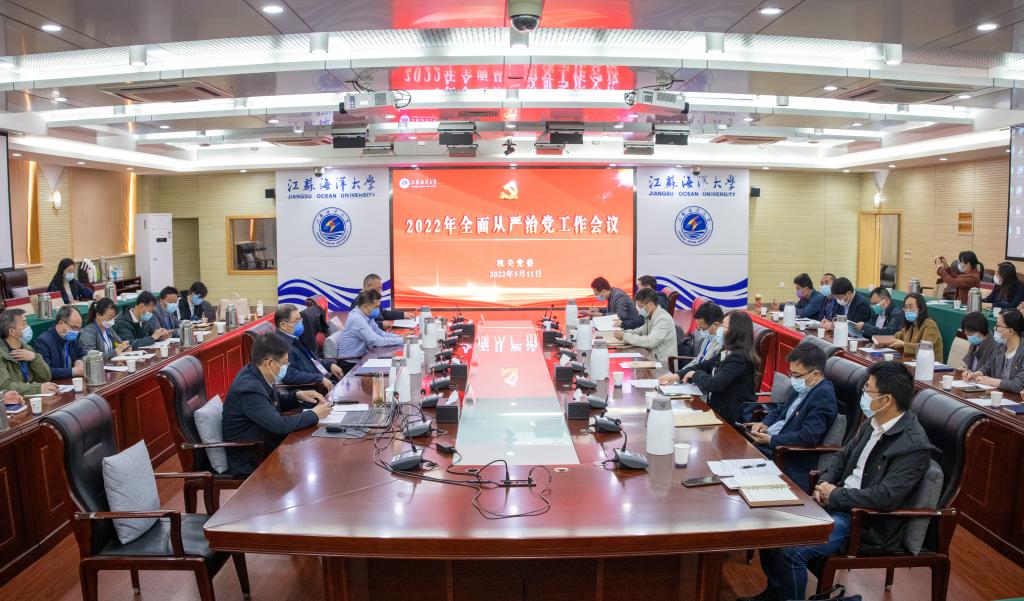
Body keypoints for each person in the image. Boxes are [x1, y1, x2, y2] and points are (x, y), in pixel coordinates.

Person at [741, 361, 931, 601]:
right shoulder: (874, 422)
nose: (863, 394)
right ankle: (774, 595)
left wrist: (834, 495)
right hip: (838, 501)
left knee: (791, 552)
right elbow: (842, 456)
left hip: (863, 521)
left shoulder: (913, 446)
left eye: (868, 389)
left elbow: (885, 497)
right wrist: (824, 484)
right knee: (770, 527)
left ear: (886, 400)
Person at [221, 333, 332, 476]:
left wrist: (297, 396)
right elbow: (279, 425)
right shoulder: (248, 388)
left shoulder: (257, 373)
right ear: (270, 363)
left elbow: (272, 403)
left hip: (267, 444)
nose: (286, 367)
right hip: (252, 457)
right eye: (285, 363)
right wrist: (315, 414)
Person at [744, 344, 837, 492]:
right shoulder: (805, 386)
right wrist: (765, 424)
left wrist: (771, 440)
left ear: (815, 374)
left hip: (786, 456)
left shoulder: (823, 396)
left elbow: (808, 437)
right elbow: (780, 410)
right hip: (770, 445)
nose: (793, 379)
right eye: (791, 374)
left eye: (796, 375)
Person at [674, 311, 758, 425]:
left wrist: (694, 374)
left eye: (724, 326)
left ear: (735, 332)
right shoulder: (727, 351)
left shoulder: (739, 357)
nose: (720, 330)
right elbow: (704, 366)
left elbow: (715, 384)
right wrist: (678, 375)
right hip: (718, 410)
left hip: (731, 418)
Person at [275, 304, 343, 390]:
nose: (300, 323)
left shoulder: (295, 337)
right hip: (312, 390)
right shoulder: (279, 345)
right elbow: (289, 375)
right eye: (297, 320)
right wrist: (319, 378)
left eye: (300, 319)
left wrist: (329, 365)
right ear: (283, 325)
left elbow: (313, 359)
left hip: (324, 380)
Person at [331, 289, 404, 362]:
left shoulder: (367, 315)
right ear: (365, 307)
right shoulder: (357, 319)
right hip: (350, 363)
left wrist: (400, 337)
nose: (378, 310)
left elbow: (380, 333)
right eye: (376, 307)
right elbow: (376, 341)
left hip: (362, 357)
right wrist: (401, 340)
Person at [964, 309, 1024, 394]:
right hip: (997, 395)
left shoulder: (1022, 351)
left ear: (1010, 331)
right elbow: (988, 367)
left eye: (998, 326)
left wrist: (991, 381)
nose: (995, 328)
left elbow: (1017, 386)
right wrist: (976, 374)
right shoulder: (1000, 347)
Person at [659, 301, 725, 378]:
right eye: (699, 328)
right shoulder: (707, 339)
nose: (701, 331)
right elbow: (697, 360)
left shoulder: (722, 344)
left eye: (703, 328)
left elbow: (708, 369)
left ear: (716, 324)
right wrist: (679, 374)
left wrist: (685, 375)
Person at [0, 309, 58, 395]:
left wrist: (35, 358)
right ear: (12, 332)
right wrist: (38, 388)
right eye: (24, 324)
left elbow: (46, 378)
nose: (28, 327)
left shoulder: (27, 348)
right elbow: (5, 387)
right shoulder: (1, 354)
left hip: (32, 397)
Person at [614, 288, 677, 365]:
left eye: (640, 306)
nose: (639, 310)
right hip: (652, 359)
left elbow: (650, 342)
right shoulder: (650, 316)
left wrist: (625, 336)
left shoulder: (663, 319)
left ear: (650, 304)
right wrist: (623, 333)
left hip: (663, 365)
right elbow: (639, 331)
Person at [34, 305, 85, 380]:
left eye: (79, 329)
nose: (76, 332)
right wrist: (74, 371)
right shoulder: (43, 342)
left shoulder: (71, 338)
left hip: (72, 381)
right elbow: (47, 371)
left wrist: (79, 361)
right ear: (61, 323)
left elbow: (83, 354)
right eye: (74, 327)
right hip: (55, 383)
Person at [891, 292, 943, 359]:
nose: (908, 310)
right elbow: (895, 338)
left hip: (928, 363)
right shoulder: (910, 325)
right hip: (910, 361)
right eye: (905, 307)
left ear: (920, 308)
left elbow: (925, 348)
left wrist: (903, 344)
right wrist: (880, 341)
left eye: (911, 307)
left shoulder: (930, 325)